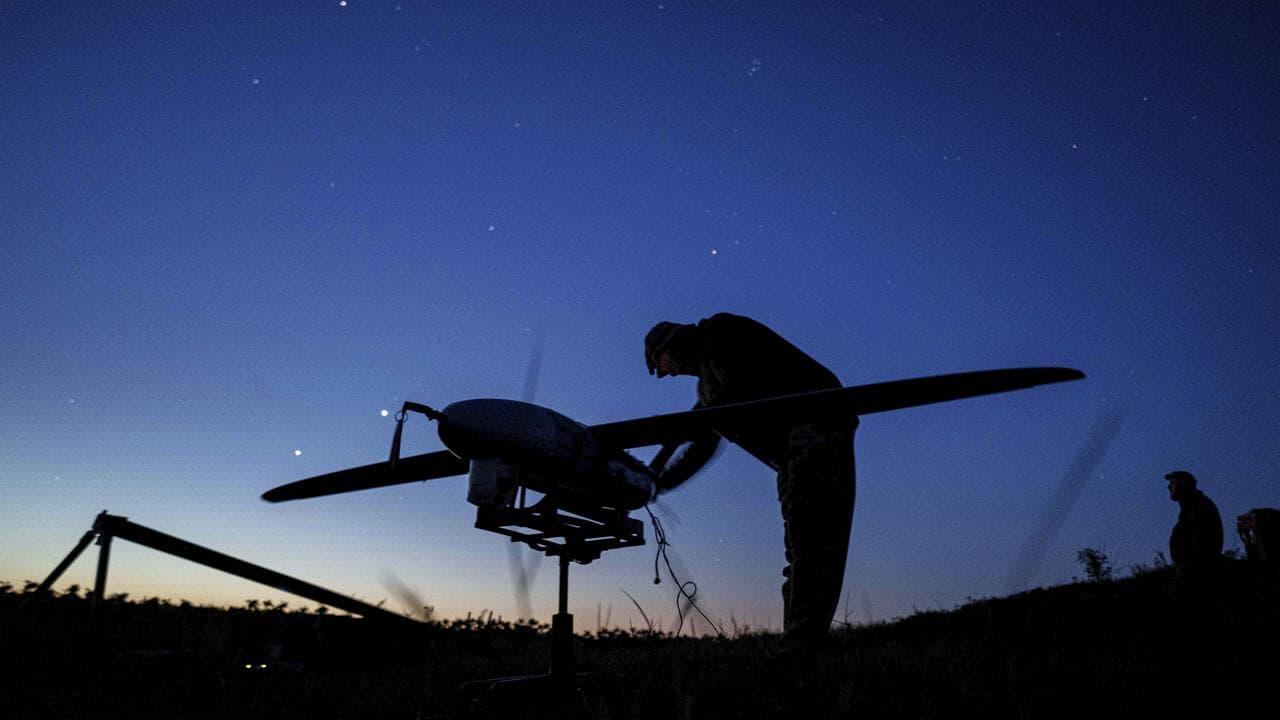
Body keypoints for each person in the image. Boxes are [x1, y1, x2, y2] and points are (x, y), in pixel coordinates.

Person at [644, 312, 857, 650]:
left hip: (815, 430)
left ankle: (800, 647)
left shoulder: (719, 332)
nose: (669, 373)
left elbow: (737, 390)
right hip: (789, 456)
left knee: (814, 541)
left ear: (671, 345)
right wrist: (659, 482)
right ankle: (797, 645)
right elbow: (702, 446)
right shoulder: (707, 386)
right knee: (800, 548)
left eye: (663, 364)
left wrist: (689, 423)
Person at [1165, 470, 1224, 578]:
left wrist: (1189, 566)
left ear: (1182, 485)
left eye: (1172, 482)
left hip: (1199, 571)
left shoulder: (1199, 507)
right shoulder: (1190, 508)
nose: (1169, 487)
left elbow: (1201, 542)